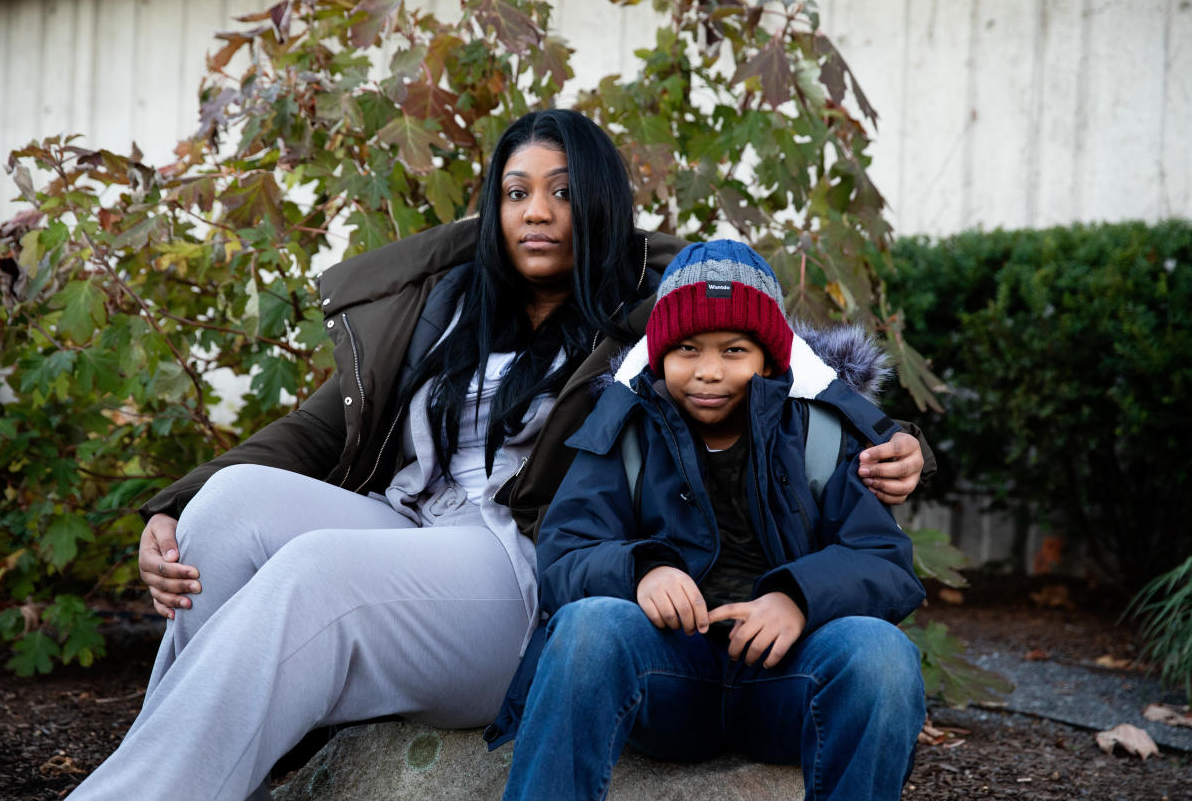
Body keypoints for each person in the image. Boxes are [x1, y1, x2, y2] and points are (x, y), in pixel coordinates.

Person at [69, 110, 928, 800]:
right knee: (228, 509)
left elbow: (771, 345)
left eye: (562, 191)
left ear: (599, 204)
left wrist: (891, 439)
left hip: (518, 564)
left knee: (316, 572)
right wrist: (173, 504)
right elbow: (317, 427)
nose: (537, 210)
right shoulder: (446, 305)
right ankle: (176, 772)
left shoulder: (637, 304)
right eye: (515, 191)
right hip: (406, 527)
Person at [494, 239, 928, 801]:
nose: (707, 372)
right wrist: (642, 570)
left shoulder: (819, 435)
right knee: (586, 629)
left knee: (883, 656)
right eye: (688, 349)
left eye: (733, 351)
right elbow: (565, 550)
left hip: (788, 679)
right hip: (669, 677)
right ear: (659, 356)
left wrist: (798, 599)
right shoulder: (627, 431)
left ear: (769, 359)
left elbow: (885, 560)